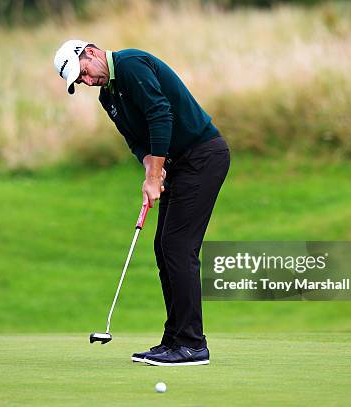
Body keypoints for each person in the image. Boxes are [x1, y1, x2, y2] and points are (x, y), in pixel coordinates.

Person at [54, 40, 230, 366]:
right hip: (179, 164)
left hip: (203, 156)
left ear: (90, 52)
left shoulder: (131, 64)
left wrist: (155, 175)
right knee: (164, 248)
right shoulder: (109, 97)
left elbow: (159, 114)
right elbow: (135, 139)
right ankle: (175, 339)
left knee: (178, 248)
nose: (87, 82)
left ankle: (193, 344)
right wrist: (150, 164)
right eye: (80, 82)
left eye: (84, 73)